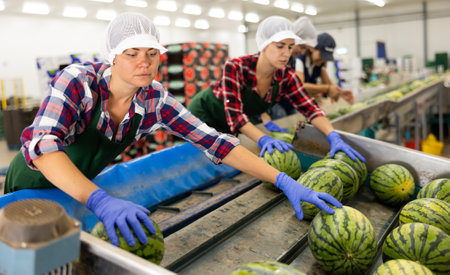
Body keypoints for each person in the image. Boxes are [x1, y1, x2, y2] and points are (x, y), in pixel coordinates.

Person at [5, 12, 342, 248]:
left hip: (81, 186)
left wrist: (283, 181)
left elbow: (217, 143)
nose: (144, 62)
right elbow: (45, 147)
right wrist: (101, 200)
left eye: (152, 54)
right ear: (113, 57)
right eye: (132, 53)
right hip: (32, 183)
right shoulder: (77, 81)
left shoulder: (154, 98)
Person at [188, 16, 364, 161]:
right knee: (197, 160)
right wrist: (263, 138)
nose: (286, 53)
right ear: (263, 44)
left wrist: (332, 135)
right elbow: (235, 117)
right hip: (205, 112)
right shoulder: (235, 67)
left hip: (231, 124)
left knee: (223, 157)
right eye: (280, 46)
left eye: (289, 47)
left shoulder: (285, 75)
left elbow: (310, 108)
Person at [293, 31, 354, 104]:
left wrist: (341, 92)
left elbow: (329, 83)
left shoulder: (320, 65)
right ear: (312, 48)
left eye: (325, 57)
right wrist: (327, 89)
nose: (322, 60)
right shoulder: (300, 60)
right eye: (321, 55)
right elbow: (300, 86)